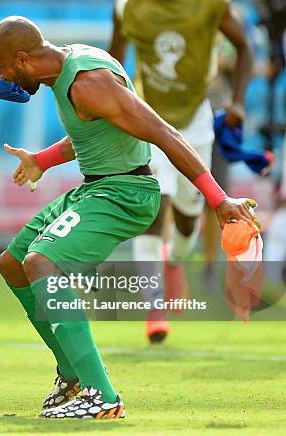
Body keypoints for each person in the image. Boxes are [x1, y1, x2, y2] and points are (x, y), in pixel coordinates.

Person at [0, 16, 254, 419]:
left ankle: (102, 396)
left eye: (4, 68)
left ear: (23, 59)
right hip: (96, 188)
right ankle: (72, 375)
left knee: (41, 262)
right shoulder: (68, 67)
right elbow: (92, 132)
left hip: (124, 193)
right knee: (12, 264)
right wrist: (41, 160)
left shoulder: (88, 83)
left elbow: (166, 134)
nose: (2, 78)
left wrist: (218, 200)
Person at [108, 0, 253, 343]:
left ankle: (174, 260)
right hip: (147, 119)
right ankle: (153, 308)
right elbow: (112, 63)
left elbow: (245, 46)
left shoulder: (212, 6)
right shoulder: (127, 7)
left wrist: (239, 100)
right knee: (152, 208)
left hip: (195, 122)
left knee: (189, 218)